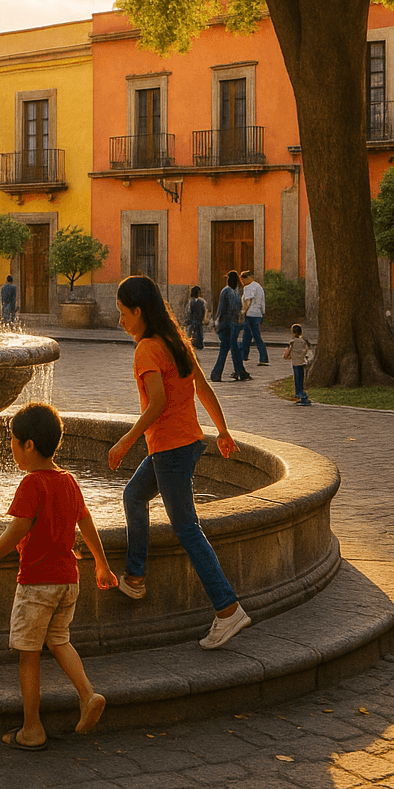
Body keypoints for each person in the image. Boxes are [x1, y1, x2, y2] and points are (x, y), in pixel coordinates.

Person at [109, 274, 251, 650]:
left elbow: (156, 403)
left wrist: (125, 441)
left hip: (170, 450)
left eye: (124, 313)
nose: (120, 320)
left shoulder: (146, 350)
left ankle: (227, 609)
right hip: (187, 443)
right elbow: (202, 387)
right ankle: (135, 578)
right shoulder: (175, 341)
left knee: (187, 529)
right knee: (134, 496)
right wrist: (221, 430)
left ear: (139, 312)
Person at [0, 402, 115, 750]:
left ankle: (32, 729)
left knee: (28, 654)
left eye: (13, 442)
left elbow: (17, 529)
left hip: (36, 583)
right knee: (59, 640)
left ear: (29, 445)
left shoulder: (32, 484)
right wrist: (102, 563)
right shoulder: (68, 480)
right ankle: (87, 694)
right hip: (68, 580)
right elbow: (87, 522)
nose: (12, 449)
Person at [209, 271, 250, 382]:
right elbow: (234, 308)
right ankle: (221, 373)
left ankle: (236, 372)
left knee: (229, 349)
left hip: (226, 325)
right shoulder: (229, 292)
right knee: (230, 349)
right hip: (229, 326)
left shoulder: (227, 291)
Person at [238, 270, 269, 366]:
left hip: (251, 314)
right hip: (258, 314)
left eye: (243, 280)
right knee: (246, 336)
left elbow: (248, 301)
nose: (243, 283)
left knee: (256, 337)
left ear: (247, 278)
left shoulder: (249, 287)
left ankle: (263, 357)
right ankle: (244, 355)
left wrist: (243, 312)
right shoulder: (258, 286)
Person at [284, 324, 314, 406]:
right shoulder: (304, 342)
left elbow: (288, 351)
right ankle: (302, 396)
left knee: (297, 380)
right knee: (301, 379)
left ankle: (301, 395)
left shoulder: (292, 342)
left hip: (295, 363)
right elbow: (306, 351)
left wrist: (287, 356)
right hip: (302, 362)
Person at [186, 285, 206, 351]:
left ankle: (196, 343)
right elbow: (204, 310)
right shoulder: (201, 301)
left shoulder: (191, 302)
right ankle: (199, 344)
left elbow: (188, 311)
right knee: (198, 332)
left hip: (195, 320)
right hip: (197, 320)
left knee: (195, 332)